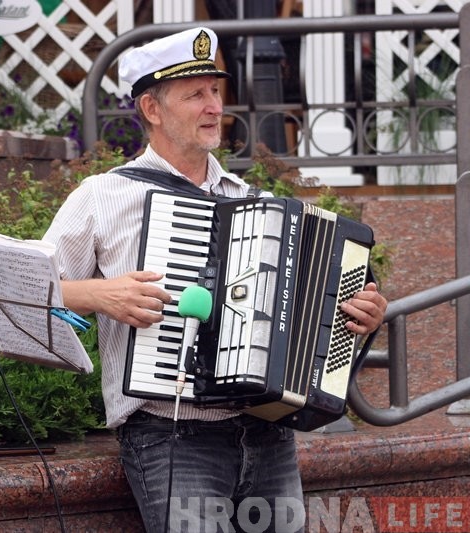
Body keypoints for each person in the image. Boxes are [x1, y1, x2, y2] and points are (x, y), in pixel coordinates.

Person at [42, 27, 388, 533]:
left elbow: (305, 312)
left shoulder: (252, 202)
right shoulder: (103, 195)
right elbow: (25, 288)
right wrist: (96, 294)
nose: (213, 107)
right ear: (151, 109)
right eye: (195, 94)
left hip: (268, 433)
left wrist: (358, 315)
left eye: (215, 91)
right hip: (171, 438)